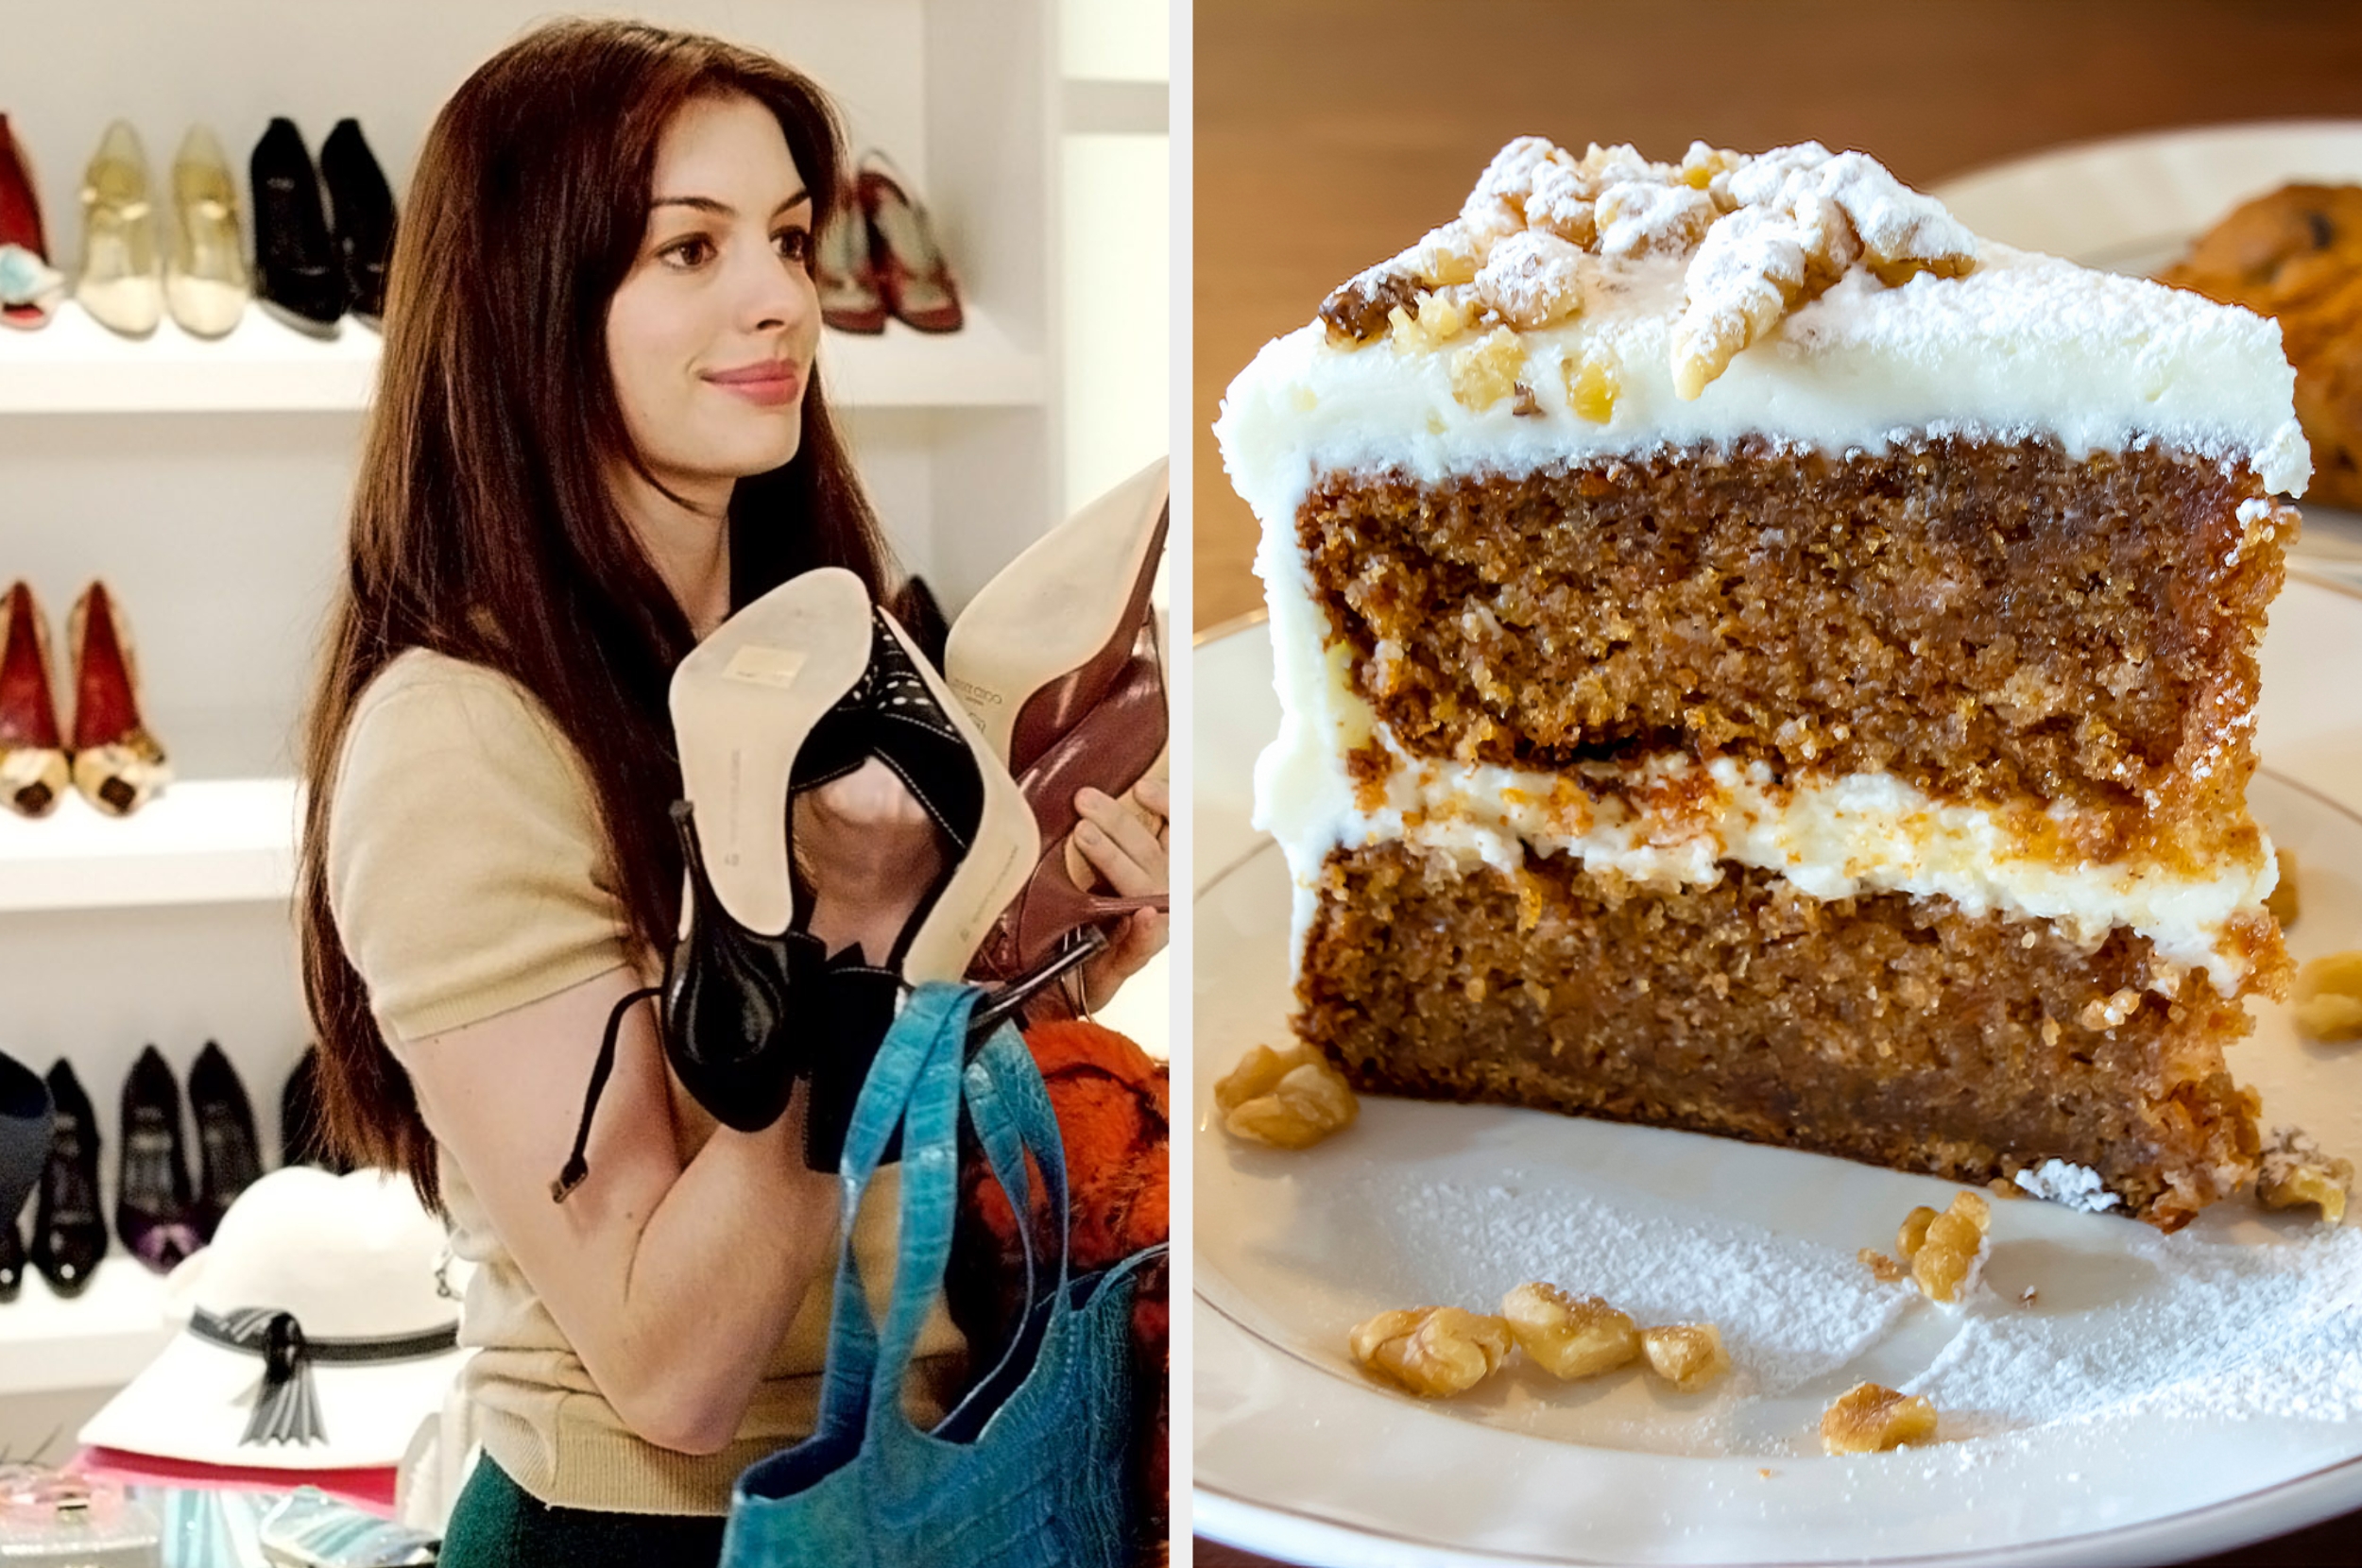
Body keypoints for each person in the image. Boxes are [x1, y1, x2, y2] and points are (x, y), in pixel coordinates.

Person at [292, 20, 1169, 1566]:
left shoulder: (818, 643)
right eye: (686, 251)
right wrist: (855, 936)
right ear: (528, 303)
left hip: (938, 1482)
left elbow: (882, 1175)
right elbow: (674, 1369)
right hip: (658, 1531)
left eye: (781, 238)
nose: (779, 298)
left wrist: (1040, 962)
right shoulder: (458, 738)